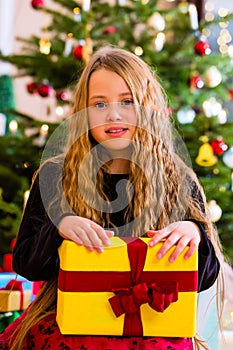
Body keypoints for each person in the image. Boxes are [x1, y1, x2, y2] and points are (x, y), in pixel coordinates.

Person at [0, 46, 222, 350]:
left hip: (153, 325)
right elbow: (27, 263)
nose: (114, 114)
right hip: (67, 320)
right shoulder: (55, 176)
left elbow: (205, 279)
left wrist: (194, 234)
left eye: (127, 101)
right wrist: (58, 229)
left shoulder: (176, 178)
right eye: (100, 104)